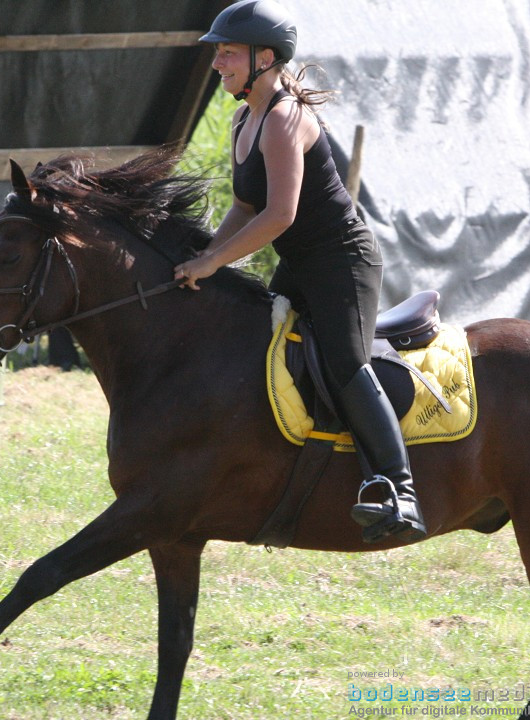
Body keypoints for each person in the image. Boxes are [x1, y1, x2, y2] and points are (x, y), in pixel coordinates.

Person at [174, 0, 426, 544]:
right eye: (218, 53)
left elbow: (280, 213)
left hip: (343, 263)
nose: (218, 63)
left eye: (228, 53)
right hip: (300, 264)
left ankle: (401, 491)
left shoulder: (285, 117)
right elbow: (245, 206)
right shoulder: (245, 116)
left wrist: (215, 259)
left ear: (265, 57)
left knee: (345, 364)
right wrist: (200, 264)